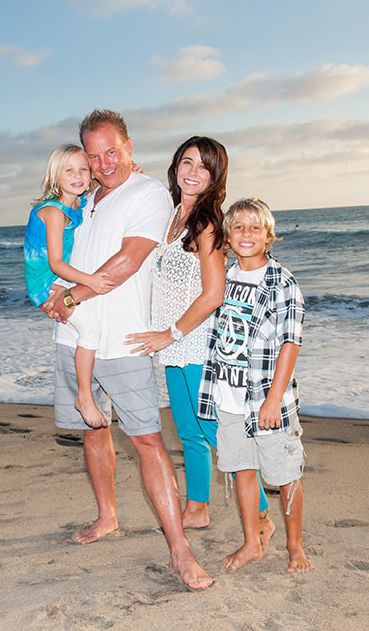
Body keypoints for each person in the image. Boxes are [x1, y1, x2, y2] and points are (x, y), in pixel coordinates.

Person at [43, 109, 213, 590]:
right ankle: (107, 517)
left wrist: (70, 296)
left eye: (112, 152)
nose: (103, 163)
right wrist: (52, 294)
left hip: (123, 340)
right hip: (74, 337)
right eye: (93, 156)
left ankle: (180, 551)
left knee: (146, 440)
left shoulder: (149, 193)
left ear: (129, 146)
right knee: (92, 430)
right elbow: (54, 246)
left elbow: (129, 260)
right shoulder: (85, 196)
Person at [124, 137, 274, 549]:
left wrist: (169, 332)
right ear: (175, 167)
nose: (192, 172)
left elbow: (213, 294)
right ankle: (197, 509)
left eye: (203, 167)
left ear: (215, 177)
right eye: (186, 162)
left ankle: (261, 512)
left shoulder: (207, 223)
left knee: (215, 432)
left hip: (196, 341)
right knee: (188, 431)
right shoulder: (172, 213)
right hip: (174, 345)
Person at [198, 197, 312, 574]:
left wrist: (273, 399)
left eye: (255, 228)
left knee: (284, 475)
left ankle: (295, 547)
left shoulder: (282, 282)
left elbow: (290, 343)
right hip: (228, 397)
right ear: (228, 236)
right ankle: (252, 542)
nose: (247, 234)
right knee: (242, 470)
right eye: (239, 227)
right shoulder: (224, 277)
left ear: (269, 236)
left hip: (266, 399)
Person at [24, 144, 114, 428]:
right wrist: (90, 281)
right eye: (69, 170)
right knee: (90, 329)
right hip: (46, 283)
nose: (78, 175)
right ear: (55, 175)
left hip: (57, 280)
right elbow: (55, 264)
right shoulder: (53, 212)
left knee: (92, 321)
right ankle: (84, 397)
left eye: (83, 169)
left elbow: (92, 186)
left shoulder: (76, 202)